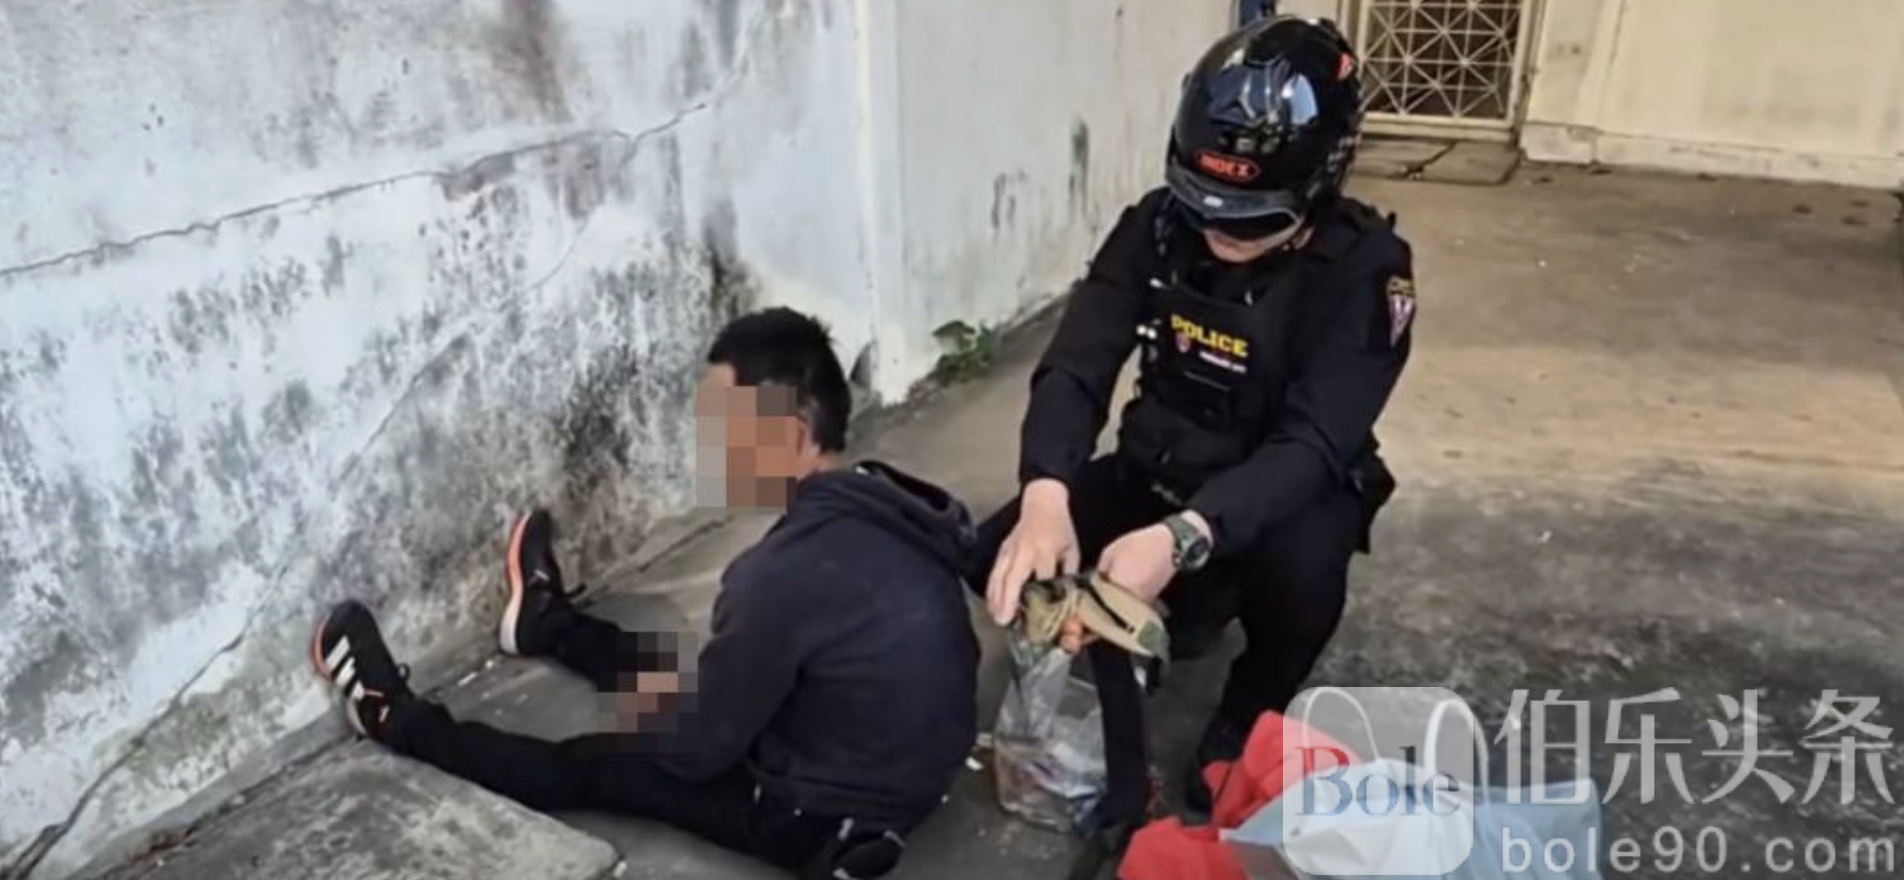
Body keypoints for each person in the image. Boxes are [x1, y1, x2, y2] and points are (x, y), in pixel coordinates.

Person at [310, 308, 980, 879]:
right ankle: (545, 624)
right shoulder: (884, 497)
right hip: (899, 767)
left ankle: (392, 716)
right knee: (679, 673)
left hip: (822, 818)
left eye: (725, 430)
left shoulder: (778, 576)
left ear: (792, 437)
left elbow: (697, 755)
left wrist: (655, 718)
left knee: (593, 766)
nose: (711, 450)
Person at [970, 16, 1414, 818]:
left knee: (1306, 578)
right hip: (1164, 461)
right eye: (1204, 206)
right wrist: (1045, 490)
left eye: (1251, 218)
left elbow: (1316, 440)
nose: (1220, 232)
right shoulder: (1156, 225)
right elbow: (1077, 364)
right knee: (995, 559)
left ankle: (1248, 707)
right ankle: (1188, 600)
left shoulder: (1366, 272)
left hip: (1279, 494)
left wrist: (1182, 540)